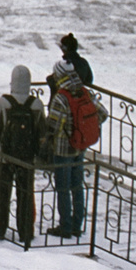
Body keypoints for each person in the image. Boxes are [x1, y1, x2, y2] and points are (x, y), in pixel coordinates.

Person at [0, 64, 42, 245]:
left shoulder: (4, 102)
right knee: (26, 195)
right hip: (27, 158)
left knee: (2, 193)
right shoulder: (36, 104)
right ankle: (26, 232)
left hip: (6, 156)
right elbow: (41, 132)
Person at [46, 65, 89, 240]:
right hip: (80, 148)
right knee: (77, 187)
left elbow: (52, 125)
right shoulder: (84, 93)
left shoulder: (61, 98)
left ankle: (65, 226)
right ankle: (77, 225)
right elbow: (102, 113)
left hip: (63, 150)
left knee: (63, 188)